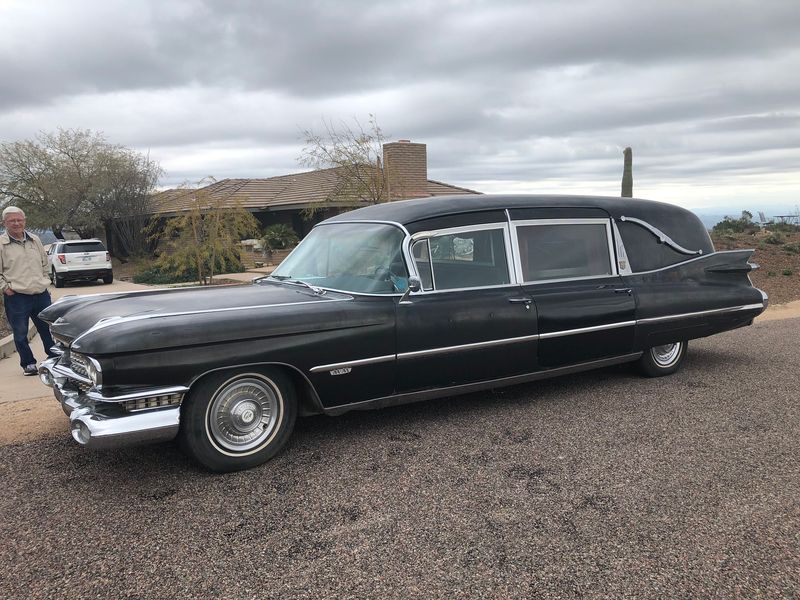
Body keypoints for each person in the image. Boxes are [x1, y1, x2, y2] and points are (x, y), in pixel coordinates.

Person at [0, 206, 57, 375]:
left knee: (48, 329)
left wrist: (45, 280)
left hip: (40, 294)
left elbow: (44, 262)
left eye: (19, 220)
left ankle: (54, 358)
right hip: (17, 296)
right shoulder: (2, 244)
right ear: (5, 223)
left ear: (24, 221)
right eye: (12, 221)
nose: (16, 223)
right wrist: (5, 288)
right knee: (20, 333)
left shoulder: (35, 240)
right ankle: (28, 364)